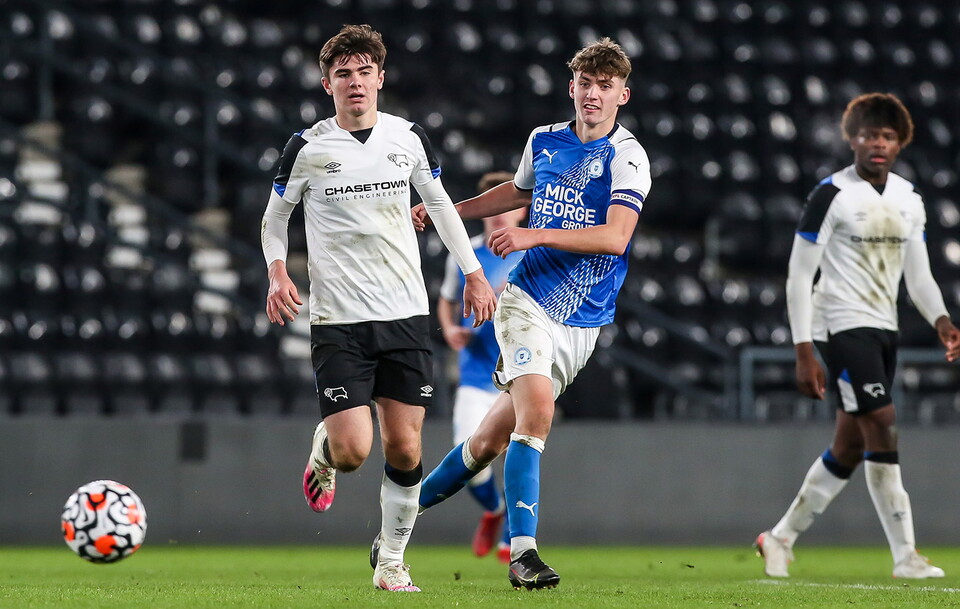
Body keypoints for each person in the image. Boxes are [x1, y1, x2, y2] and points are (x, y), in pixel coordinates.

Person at [400, 37, 651, 590]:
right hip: (527, 301)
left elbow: (616, 237)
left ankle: (398, 520)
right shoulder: (544, 140)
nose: (592, 94)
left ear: (622, 95)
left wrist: (533, 232)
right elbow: (515, 194)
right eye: (585, 83)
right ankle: (523, 555)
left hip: (583, 321)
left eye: (605, 86)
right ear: (571, 87)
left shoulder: (628, 157)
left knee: (487, 443)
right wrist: (447, 212)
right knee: (536, 413)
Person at [260, 24, 496, 592]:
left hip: (405, 315)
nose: (355, 82)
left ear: (381, 78)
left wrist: (473, 273)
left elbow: (440, 206)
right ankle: (325, 449)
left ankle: (391, 561)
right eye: (343, 73)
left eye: (365, 72)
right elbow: (274, 220)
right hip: (339, 321)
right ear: (327, 84)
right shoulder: (307, 147)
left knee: (406, 446)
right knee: (352, 453)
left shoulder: (408, 138)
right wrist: (277, 272)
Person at [755, 92, 960, 579]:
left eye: (887, 136)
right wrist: (803, 349)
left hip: (883, 326)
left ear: (900, 142)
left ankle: (779, 538)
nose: (878, 144)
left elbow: (919, 276)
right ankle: (906, 556)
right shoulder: (830, 195)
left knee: (850, 445)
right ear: (852, 139)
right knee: (883, 422)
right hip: (839, 325)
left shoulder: (909, 199)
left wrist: (942, 320)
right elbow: (799, 275)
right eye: (869, 135)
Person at [436, 171, 526, 564]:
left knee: (519, 453)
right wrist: (449, 330)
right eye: (493, 207)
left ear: (521, 211)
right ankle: (494, 510)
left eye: (508, 205)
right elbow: (446, 300)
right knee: (470, 458)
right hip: (475, 373)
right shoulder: (464, 252)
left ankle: (513, 539)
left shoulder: (533, 248)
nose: (499, 214)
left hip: (519, 374)